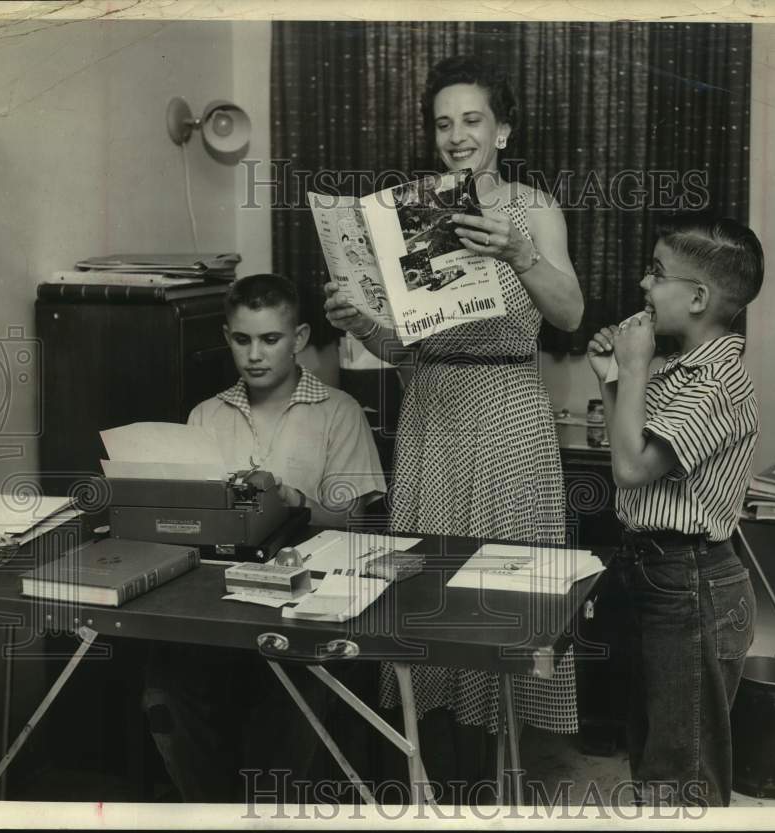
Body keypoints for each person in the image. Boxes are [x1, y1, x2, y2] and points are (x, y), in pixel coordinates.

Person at [323, 55, 584, 791]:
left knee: (504, 598)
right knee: (428, 593)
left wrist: (520, 251)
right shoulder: (410, 210)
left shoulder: (532, 209)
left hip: (508, 412)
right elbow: (399, 345)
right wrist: (358, 321)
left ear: (503, 128)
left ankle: (499, 777)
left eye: (472, 120)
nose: (456, 136)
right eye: (443, 123)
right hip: (431, 411)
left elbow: (568, 314)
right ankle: (429, 777)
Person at [144, 273, 386, 802]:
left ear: (298, 338)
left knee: (290, 691)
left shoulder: (338, 413)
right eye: (241, 339)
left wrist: (294, 500)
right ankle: (214, 809)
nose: (254, 355)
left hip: (306, 601)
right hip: (222, 600)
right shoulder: (205, 416)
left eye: (270, 339)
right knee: (167, 687)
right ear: (227, 336)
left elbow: (356, 522)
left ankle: (268, 809)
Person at [586, 215, 762, 807]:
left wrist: (634, 367)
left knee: (681, 770)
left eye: (657, 273)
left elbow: (632, 468)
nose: (643, 283)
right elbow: (629, 446)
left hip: (692, 582)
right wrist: (615, 381)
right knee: (658, 751)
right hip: (658, 574)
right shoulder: (682, 370)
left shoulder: (718, 382)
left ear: (698, 297)